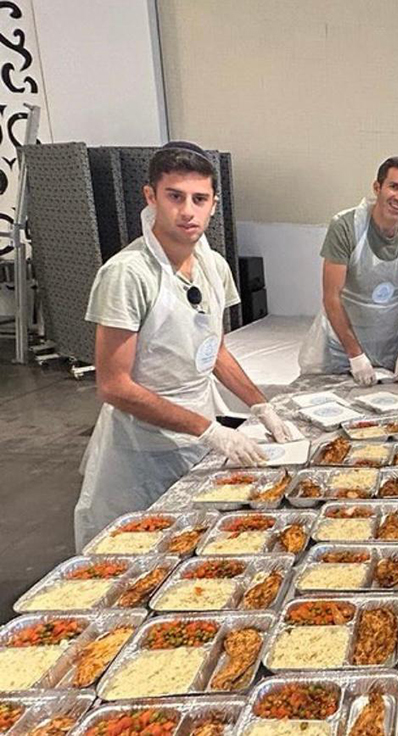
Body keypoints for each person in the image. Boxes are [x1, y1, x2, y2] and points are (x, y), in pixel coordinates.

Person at [76, 142, 295, 551]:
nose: (187, 211)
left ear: (214, 203)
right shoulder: (127, 274)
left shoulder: (214, 266)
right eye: (175, 197)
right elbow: (114, 386)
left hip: (197, 441)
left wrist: (261, 406)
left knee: (201, 550)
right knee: (139, 554)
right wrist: (208, 429)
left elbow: (216, 352)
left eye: (199, 199)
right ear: (151, 197)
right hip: (141, 450)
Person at [298, 157, 398, 384]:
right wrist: (355, 355)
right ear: (377, 187)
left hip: (387, 347)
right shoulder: (346, 227)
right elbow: (331, 297)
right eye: (394, 187)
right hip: (339, 348)